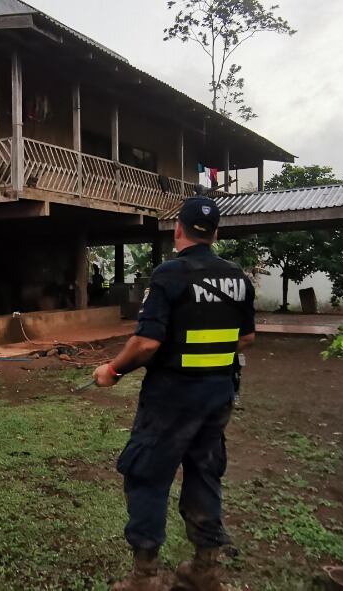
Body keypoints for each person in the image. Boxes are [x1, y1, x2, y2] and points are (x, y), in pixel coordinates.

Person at [92, 196, 255, 591]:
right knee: (204, 473)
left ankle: (145, 577)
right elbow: (246, 338)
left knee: (146, 474)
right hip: (218, 395)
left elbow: (147, 343)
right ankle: (205, 569)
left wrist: (112, 370)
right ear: (215, 234)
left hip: (171, 398)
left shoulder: (169, 275)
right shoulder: (238, 278)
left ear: (178, 228)